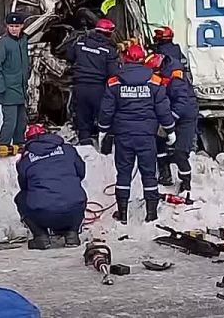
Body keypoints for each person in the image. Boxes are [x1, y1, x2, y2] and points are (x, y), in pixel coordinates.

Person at [97, 44, 175, 224]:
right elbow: (163, 109)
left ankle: (123, 214)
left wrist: (103, 130)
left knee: (123, 173)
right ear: (142, 59)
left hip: (123, 136)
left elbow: (106, 110)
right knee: (149, 173)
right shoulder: (154, 81)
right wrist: (170, 129)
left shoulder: (114, 82)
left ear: (125, 59)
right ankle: (151, 214)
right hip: (147, 136)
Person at [14, 124, 87, 250]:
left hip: (43, 213)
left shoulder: (26, 160)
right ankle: (72, 233)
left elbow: (25, 186)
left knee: (21, 198)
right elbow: (81, 173)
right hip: (74, 210)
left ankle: (40, 236)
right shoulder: (68, 150)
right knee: (74, 192)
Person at [145, 54, 198, 192]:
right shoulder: (166, 73)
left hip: (186, 117)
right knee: (159, 143)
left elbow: (182, 102)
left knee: (180, 152)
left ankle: (186, 182)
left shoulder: (176, 80)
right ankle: (165, 173)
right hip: (171, 114)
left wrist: (169, 121)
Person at [66, 18, 120, 147]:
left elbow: (69, 56)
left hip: (79, 87)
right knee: (102, 115)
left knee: (82, 114)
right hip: (98, 88)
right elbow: (113, 73)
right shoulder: (109, 51)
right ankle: (105, 143)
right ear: (109, 33)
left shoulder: (80, 43)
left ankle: (85, 141)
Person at [0, 13, 30, 157]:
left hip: (21, 88)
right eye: (11, 26)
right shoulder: (2, 44)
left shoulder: (24, 40)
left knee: (21, 119)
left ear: (22, 26)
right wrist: (0, 88)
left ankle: (19, 142)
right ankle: (2, 144)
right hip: (8, 89)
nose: (14, 29)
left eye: (17, 26)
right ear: (7, 27)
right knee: (10, 120)